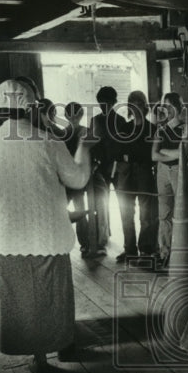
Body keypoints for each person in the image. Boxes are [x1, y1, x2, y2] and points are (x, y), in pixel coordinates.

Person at [0, 78, 92, 373]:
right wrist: (85, 145)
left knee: (18, 301)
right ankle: (57, 349)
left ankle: (34, 357)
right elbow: (77, 179)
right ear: (32, 106)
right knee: (49, 298)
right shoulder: (47, 142)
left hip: (5, 237)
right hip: (45, 234)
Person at [114, 90, 158, 262]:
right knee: (126, 213)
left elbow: (149, 155)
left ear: (144, 106)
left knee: (146, 214)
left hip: (144, 173)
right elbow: (117, 152)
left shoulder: (151, 129)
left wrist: (130, 155)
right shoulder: (124, 127)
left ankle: (146, 250)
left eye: (139, 103)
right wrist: (130, 155)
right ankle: (130, 250)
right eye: (132, 103)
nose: (135, 106)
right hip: (126, 174)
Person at [84, 86, 125, 257]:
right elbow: (92, 144)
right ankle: (102, 237)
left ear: (114, 102)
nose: (103, 106)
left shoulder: (121, 121)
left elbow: (124, 145)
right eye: (101, 103)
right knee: (101, 204)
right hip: (101, 167)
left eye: (107, 103)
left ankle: (127, 242)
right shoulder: (95, 121)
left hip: (118, 166)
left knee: (124, 204)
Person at [151, 91, 186, 267]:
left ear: (178, 108)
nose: (166, 109)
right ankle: (165, 253)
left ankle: (181, 254)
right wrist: (172, 154)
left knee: (181, 213)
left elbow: (184, 153)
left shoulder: (185, 129)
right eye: (165, 106)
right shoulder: (161, 130)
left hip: (178, 171)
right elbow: (153, 155)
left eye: (170, 106)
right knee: (163, 214)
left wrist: (165, 152)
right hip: (163, 171)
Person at [62, 101, 92, 255]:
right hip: (71, 180)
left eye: (76, 115)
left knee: (75, 212)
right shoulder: (63, 134)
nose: (74, 118)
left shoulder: (63, 134)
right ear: (66, 116)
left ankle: (83, 243)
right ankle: (78, 244)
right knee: (69, 212)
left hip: (72, 180)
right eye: (71, 115)